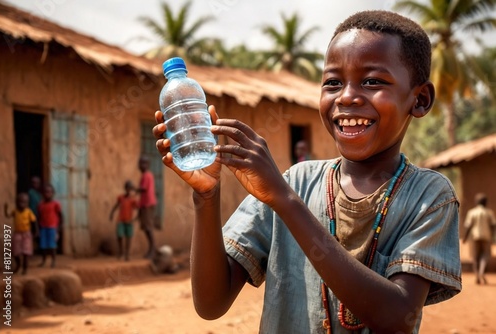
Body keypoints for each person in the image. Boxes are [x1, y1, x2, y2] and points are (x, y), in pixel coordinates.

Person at [153, 10, 462, 333]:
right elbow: (211, 303)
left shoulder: (429, 197)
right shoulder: (296, 182)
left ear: (420, 99)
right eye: (332, 82)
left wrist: (286, 201)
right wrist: (207, 196)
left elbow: (397, 318)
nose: (346, 97)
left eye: (372, 81)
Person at [462, 193, 496, 285]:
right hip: (486, 236)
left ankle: (477, 274)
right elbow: (493, 225)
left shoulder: (472, 212)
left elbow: (468, 226)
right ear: (486, 202)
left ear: (476, 202)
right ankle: (481, 272)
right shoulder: (489, 212)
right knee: (485, 256)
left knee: (475, 257)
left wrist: (465, 237)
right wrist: (493, 237)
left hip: (474, 237)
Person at [4, 193, 39, 275]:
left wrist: (36, 231)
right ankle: (18, 265)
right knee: (15, 251)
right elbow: (8, 216)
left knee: (26, 252)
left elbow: (34, 222)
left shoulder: (29, 212)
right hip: (17, 233)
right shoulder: (15, 211)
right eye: (19, 202)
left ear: (27, 203)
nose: (21, 204)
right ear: (16, 202)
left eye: (24, 202)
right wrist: (5, 209)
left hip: (26, 233)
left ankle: (25, 268)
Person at [109, 180, 139, 261]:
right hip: (121, 220)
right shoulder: (121, 198)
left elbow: (138, 209)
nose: (129, 190)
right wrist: (111, 213)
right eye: (128, 188)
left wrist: (134, 219)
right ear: (125, 188)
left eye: (131, 189)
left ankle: (127, 254)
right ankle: (121, 252)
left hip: (129, 221)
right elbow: (116, 206)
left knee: (128, 238)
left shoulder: (133, 200)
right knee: (119, 236)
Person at [37, 184, 63, 268]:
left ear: (53, 193)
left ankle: (53, 261)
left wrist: (59, 228)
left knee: (52, 246)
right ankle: (44, 261)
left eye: (49, 192)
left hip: (52, 227)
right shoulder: (40, 205)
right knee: (43, 246)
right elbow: (39, 216)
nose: (47, 194)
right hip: (43, 227)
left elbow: (60, 216)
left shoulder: (56, 204)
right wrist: (38, 228)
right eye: (45, 192)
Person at [137, 156, 157, 259]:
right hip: (146, 204)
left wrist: (133, 188)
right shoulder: (146, 175)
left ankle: (152, 250)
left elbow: (143, 189)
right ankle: (151, 250)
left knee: (148, 228)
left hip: (148, 204)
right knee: (146, 228)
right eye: (140, 163)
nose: (141, 165)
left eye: (144, 163)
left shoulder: (146, 175)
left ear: (148, 165)